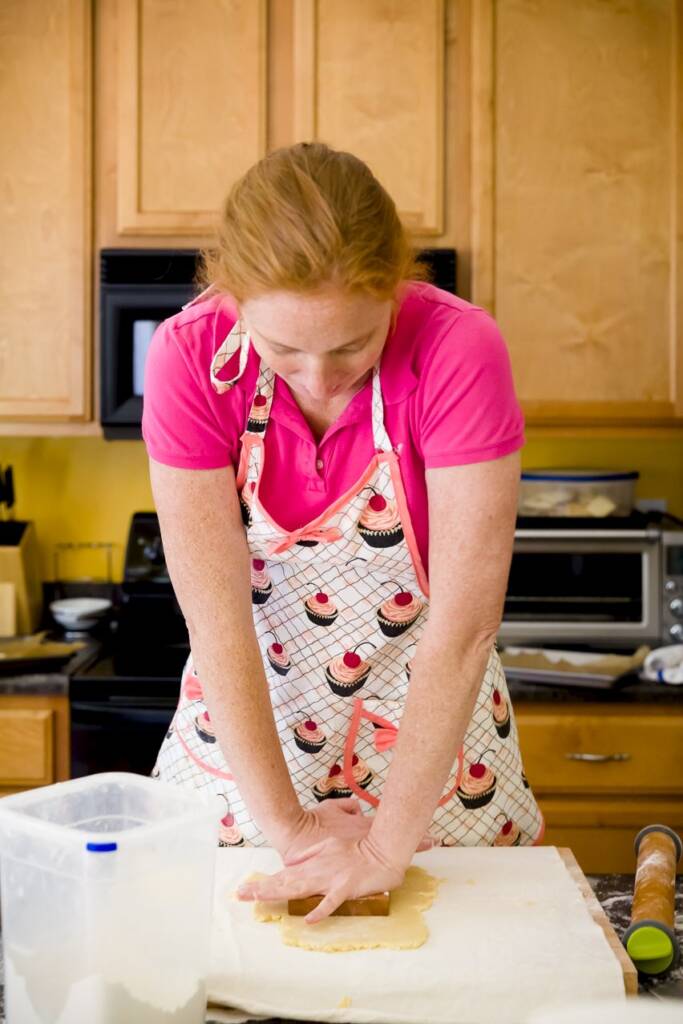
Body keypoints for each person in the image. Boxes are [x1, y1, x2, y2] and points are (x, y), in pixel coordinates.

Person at [142, 142, 544, 924]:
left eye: (353, 345)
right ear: (230, 296)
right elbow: (216, 618)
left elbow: (464, 628)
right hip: (247, 738)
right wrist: (288, 828)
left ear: (395, 288)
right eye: (284, 349)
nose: (320, 380)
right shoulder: (188, 358)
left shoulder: (457, 348)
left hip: (431, 739)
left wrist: (385, 846)